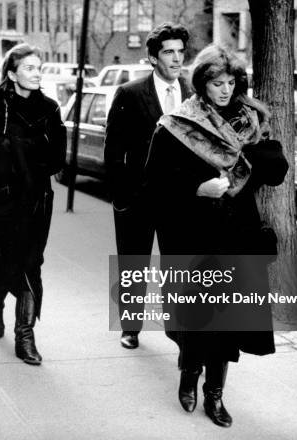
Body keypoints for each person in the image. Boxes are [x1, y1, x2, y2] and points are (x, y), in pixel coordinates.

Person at [146, 44, 289, 428]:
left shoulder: (252, 120)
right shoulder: (179, 123)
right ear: (202, 85)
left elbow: (276, 172)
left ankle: (215, 394)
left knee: (228, 320)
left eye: (230, 82)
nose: (225, 90)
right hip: (192, 233)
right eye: (216, 83)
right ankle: (189, 373)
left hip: (237, 233)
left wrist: (252, 151)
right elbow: (154, 182)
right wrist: (196, 188)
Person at [0, 43, 66, 365]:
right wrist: (32, 147)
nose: (36, 73)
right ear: (12, 73)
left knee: (30, 264)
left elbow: (57, 158)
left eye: (39, 68)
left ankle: (25, 336)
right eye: (29, 68)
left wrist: (18, 147)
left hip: (36, 201)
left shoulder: (51, 108)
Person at [104, 22, 191, 349]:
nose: (176, 58)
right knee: (133, 264)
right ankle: (131, 327)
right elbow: (113, 151)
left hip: (181, 201)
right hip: (137, 199)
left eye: (181, 52)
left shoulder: (192, 92)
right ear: (153, 58)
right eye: (169, 52)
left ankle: (180, 329)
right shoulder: (130, 93)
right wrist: (121, 197)